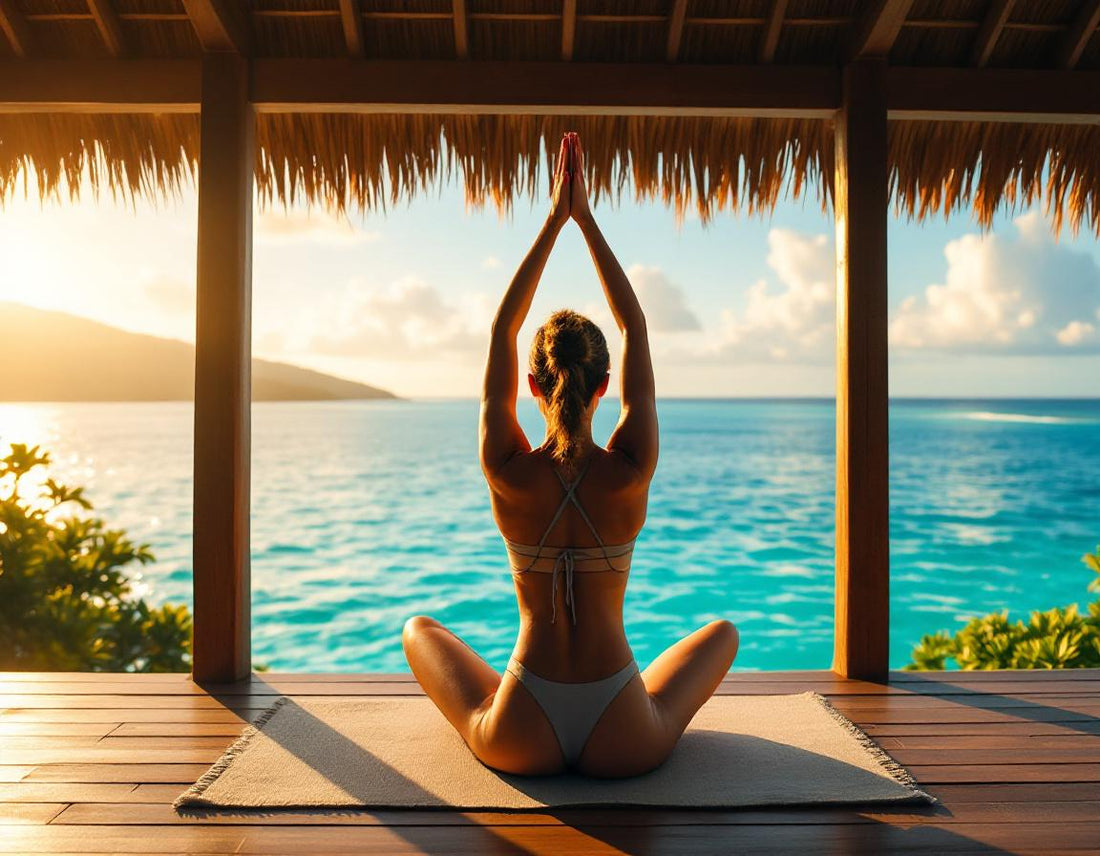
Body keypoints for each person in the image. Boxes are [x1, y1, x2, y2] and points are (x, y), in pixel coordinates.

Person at [403, 132, 738, 778]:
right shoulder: (630, 470)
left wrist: (553, 222)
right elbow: (635, 326)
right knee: (723, 633)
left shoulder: (507, 470)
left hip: (522, 727)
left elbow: (503, 329)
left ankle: (492, 724)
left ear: (532, 387)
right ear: (605, 387)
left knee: (419, 629)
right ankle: (648, 719)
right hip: (624, 733)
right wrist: (586, 220)